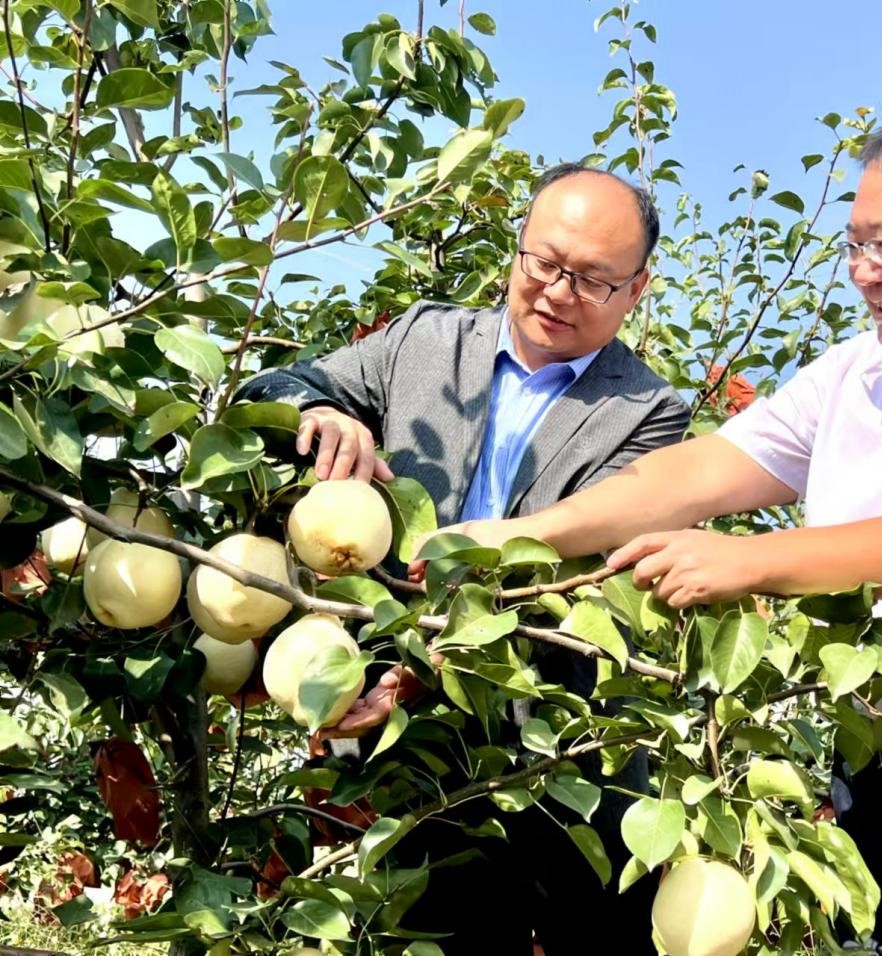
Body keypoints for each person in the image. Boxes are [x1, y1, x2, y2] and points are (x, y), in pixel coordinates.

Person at [443, 94, 882, 956]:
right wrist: (515, 539)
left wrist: (754, 561)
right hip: (874, 777)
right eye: (854, 245)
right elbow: (697, 473)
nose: (862, 272)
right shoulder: (855, 375)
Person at [238, 163, 689, 955]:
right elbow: (273, 387)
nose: (557, 292)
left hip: (565, 748)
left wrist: (438, 657)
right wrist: (320, 411)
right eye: (543, 262)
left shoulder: (650, 412)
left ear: (637, 290)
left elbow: (582, 567)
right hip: (415, 752)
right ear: (518, 248)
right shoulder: (423, 339)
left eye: (591, 280)